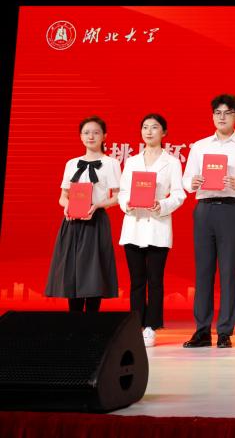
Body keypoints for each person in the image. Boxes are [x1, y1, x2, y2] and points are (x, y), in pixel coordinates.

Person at [181, 94, 235, 349]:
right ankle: (202, 330)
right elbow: (186, 180)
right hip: (205, 209)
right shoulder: (200, 146)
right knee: (203, 271)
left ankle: (225, 331)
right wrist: (192, 182)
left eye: (227, 113)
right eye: (217, 113)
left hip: (232, 209)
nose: (222, 117)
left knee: (228, 272)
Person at [117, 113, 186, 347]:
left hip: (157, 225)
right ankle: (135, 324)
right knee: (136, 280)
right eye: (145, 127)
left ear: (164, 132)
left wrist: (162, 205)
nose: (149, 131)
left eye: (154, 127)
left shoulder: (172, 162)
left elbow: (179, 194)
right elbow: (123, 192)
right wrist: (126, 203)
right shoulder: (132, 161)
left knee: (155, 280)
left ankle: (151, 327)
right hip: (134, 225)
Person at [45, 116, 121, 313]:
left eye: (96, 132)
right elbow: (63, 197)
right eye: (86, 133)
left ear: (104, 136)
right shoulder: (71, 163)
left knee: (94, 272)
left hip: (96, 220)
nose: (91, 136)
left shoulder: (111, 163)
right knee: (72, 271)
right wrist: (67, 206)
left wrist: (97, 205)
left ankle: (92, 321)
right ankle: (75, 320)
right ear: (80, 136)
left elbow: (118, 197)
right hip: (72, 222)